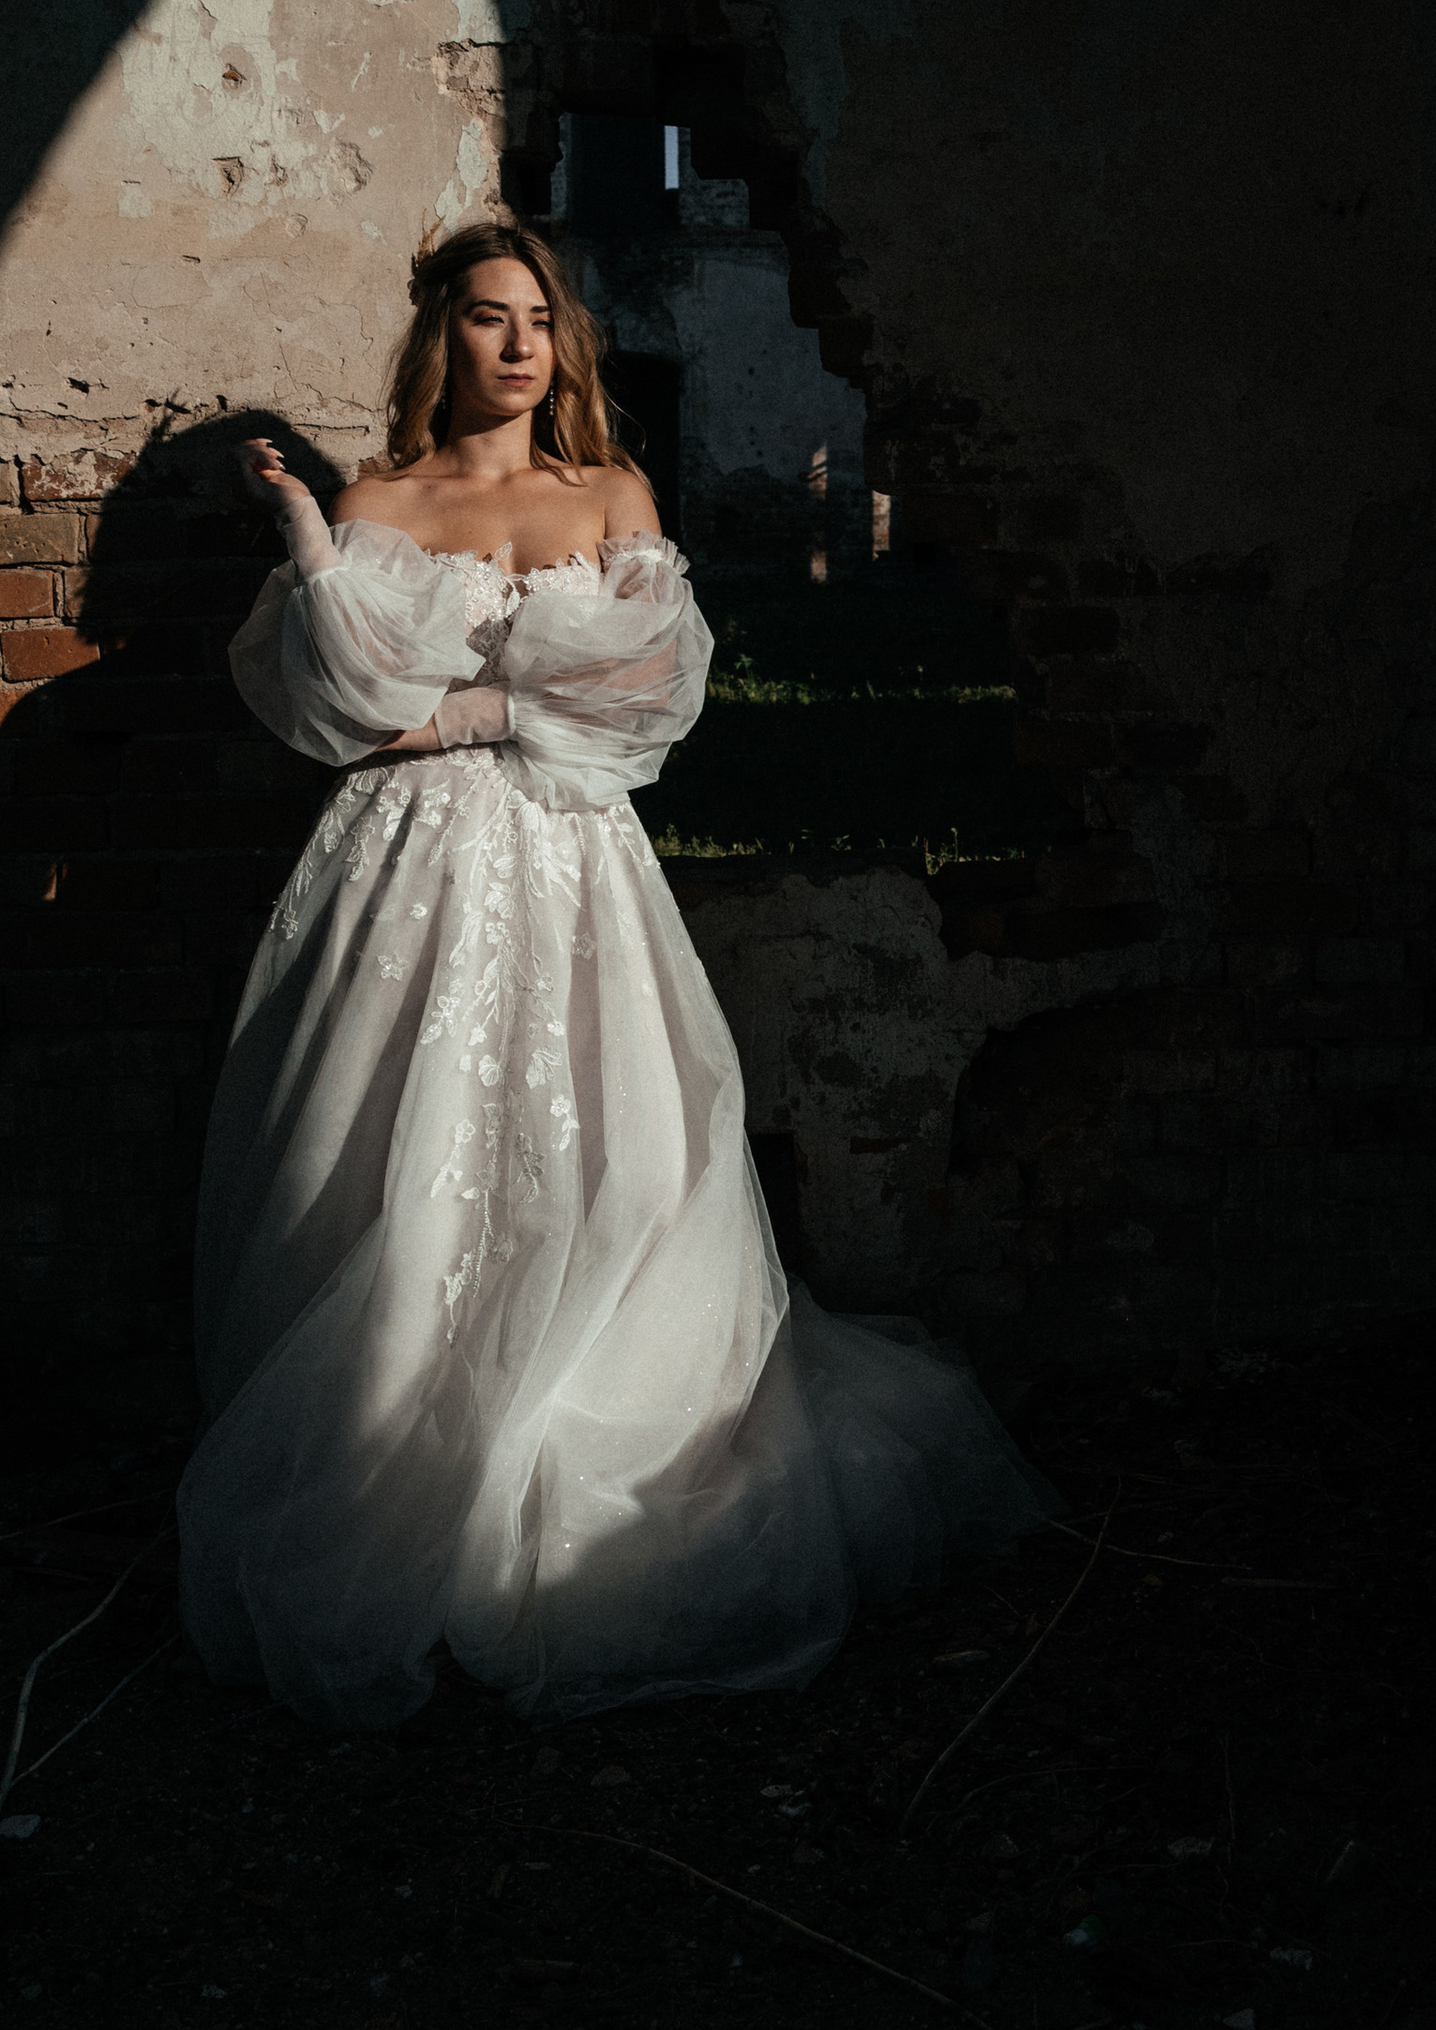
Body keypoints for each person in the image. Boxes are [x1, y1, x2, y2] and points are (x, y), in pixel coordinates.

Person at [181, 221, 1052, 1731]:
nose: (517, 343)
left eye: (537, 319)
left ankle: (596, 1480)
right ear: (439, 339)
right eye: (483, 318)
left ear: (561, 344)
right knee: (397, 1165)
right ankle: (410, 1493)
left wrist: (459, 703)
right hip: (410, 871)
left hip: (577, 859)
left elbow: (644, 699)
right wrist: (319, 550)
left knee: (624, 1158)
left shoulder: (612, 493)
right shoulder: (385, 497)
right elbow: (342, 711)